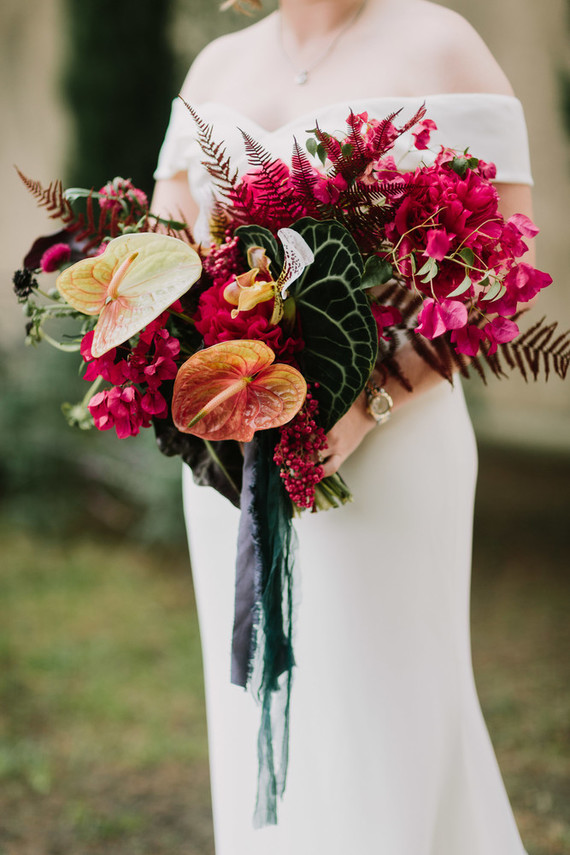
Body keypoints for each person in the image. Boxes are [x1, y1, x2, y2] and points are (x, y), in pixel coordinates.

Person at [152, 1, 534, 852]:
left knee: (385, 713)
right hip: (236, 455)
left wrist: (369, 403)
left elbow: (502, 269)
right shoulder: (213, 67)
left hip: (393, 445)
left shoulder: (439, 42)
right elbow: (168, 259)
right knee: (259, 714)